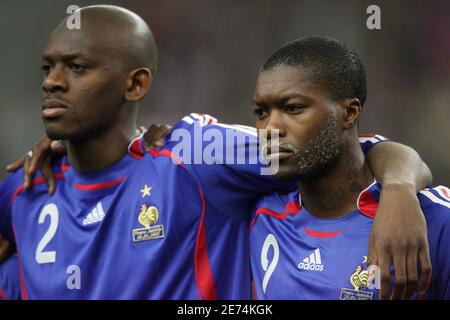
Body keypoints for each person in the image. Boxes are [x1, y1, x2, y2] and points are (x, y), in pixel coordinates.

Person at [0, 5, 433, 299]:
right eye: (47, 68)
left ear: (135, 84)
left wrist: (396, 189)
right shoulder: (23, 189)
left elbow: (339, 150)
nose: (52, 82)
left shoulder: (195, 155)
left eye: (75, 68)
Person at [248, 36, 448, 300]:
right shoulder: (260, 213)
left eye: (293, 108)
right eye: (261, 112)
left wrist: (400, 188)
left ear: (350, 113)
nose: (270, 129)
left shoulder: (432, 220)